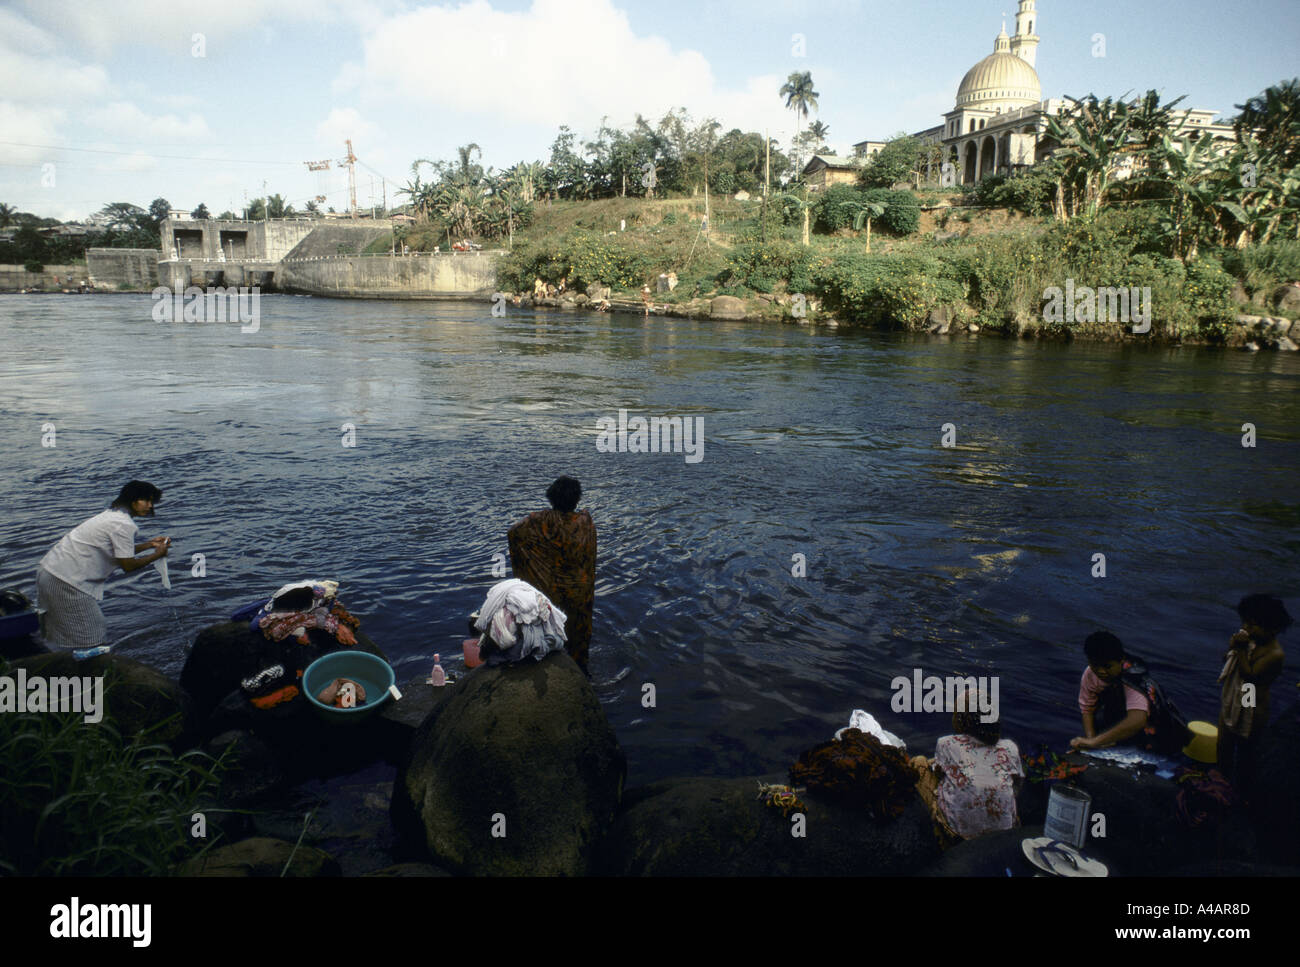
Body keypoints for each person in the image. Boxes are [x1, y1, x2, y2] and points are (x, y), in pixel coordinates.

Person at [35, 481, 170, 651]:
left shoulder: (111, 515)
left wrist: (149, 545)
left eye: (152, 502)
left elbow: (115, 551)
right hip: (66, 581)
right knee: (92, 633)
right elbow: (128, 565)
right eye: (146, 501)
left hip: (51, 572)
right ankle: (92, 672)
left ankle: (62, 664)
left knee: (63, 632)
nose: (150, 506)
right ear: (133, 500)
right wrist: (158, 554)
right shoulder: (124, 524)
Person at [507, 476, 596, 669]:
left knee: (549, 626)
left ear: (551, 497)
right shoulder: (585, 521)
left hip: (550, 589)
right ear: (577, 499)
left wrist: (531, 569)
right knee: (577, 632)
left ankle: (549, 663)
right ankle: (580, 669)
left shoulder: (539, 521)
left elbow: (513, 533)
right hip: (578, 592)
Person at [911, 691, 1023, 843]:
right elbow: (1017, 783)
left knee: (919, 762)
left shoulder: (947, 744)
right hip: (1004, 833)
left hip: (956, 835)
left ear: (961, 718)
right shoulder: (1010, 748)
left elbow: (938, 775)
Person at [1217, 594, 1290, 795]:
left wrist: (1240, 650)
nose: (1247, 628)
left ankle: (1242, 791)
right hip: (1236, 697)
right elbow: (1227, 660)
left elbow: (1249, 676)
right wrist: (1233, 648)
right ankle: (1220, 782)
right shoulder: (1250, 640)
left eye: (1253, 625)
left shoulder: (1275, 654)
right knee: (1224, 743)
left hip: (1252, 700)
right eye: (1245, 623)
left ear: (1272, 628)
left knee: (1245, 751)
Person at [1070, 631, 1188, 754]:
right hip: (1119, 710)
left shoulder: (1133, 680)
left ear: (1121, 661)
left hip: (1151, 724)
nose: (1101, 672)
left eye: (1107, 666)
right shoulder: (1090, 674)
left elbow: (1137, 720)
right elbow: (1087, 709)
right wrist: (1090, 740)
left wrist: (1095, 742)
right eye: (1095, 666)